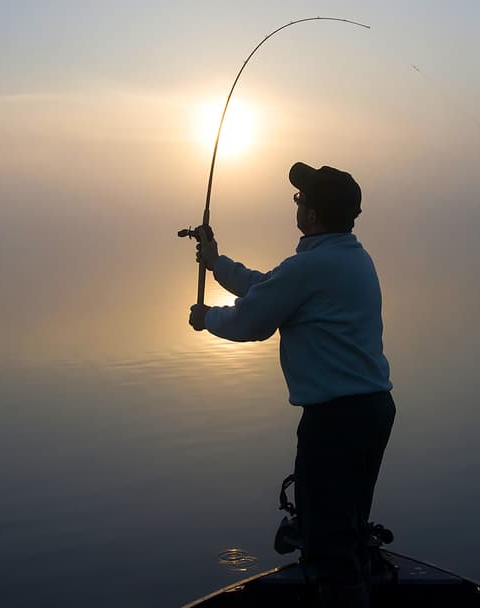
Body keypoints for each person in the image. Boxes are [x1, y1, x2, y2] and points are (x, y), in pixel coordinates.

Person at [188, 162, 395, 608]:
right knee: (348, 525)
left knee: (327, 541)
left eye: (301, 200)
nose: (297, 205)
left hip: (336, 419)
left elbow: (252, 321)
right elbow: (270, 287)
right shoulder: (348, 257)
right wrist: (216, 263)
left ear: (314, 216)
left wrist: (207, 319)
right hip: (371, 411)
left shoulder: (311, 266)